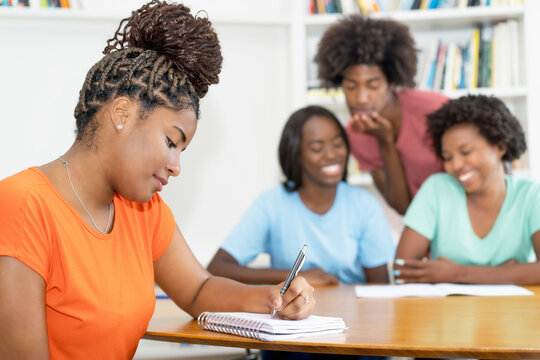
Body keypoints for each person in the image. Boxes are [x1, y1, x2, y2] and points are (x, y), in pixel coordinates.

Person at [0, 2, 314, 359]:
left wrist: (274, 298)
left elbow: (198, 290)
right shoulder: (22, 205)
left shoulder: (145, 210)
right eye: (171, 142)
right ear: (122, 114)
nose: (176, 166)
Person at [207, 105, 395, 287]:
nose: (331, 155)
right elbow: (217, 268)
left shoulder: (364, 205)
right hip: (292, 315)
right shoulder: (271, 204)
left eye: (338, 144)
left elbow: (380, 286)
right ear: (295, 154)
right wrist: (295, 277)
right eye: (317, 148)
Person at [394, 95, 540, 284]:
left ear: (500, 146)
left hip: (512, 311)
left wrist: (455, 274)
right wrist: (508, 273)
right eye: (448, 157)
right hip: (447, 312)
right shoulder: (437, 189)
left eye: (466, 152)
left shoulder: (531, 195)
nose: (456, 165)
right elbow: (402, 270)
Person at [315, 15, 449, 215]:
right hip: (423, 223)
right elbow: (401, 205)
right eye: (351, 86)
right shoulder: (355, 134)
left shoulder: (435, 108)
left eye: (373, 86)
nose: (361, 98)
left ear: (392, 82)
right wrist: (385, 140)